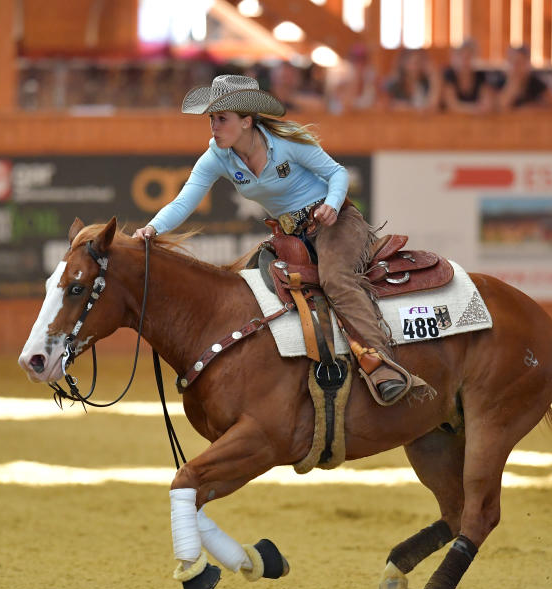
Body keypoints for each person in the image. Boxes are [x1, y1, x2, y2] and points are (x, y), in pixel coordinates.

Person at [131, 75, 413, 405]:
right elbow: (183, 202)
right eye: (211, 119)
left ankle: (382, 364)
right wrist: (151, 229)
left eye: (221, 119)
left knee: (335, 279)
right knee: (249, 290)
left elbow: (337, 174)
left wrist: (332, 206)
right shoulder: (217, 157)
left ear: (247, 121)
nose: (213, 127)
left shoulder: (288, 143)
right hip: (288, 235)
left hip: (335, 223)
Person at [493, 45, 552, 111]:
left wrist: (534, 109)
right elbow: (497, 110)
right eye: (511, 62)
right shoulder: (498, 83)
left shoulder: (536, 84)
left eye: (519, 63)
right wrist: (511, 87)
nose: (515, 67)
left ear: (527, 63)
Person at [441, 39, 490, 113]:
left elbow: (487, 104)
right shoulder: (448, 75)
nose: (464, 61)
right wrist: (475, 109)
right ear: (453, 58)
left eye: (468, 56)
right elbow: (452, 105)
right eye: (460, 56)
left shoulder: (480, 76)